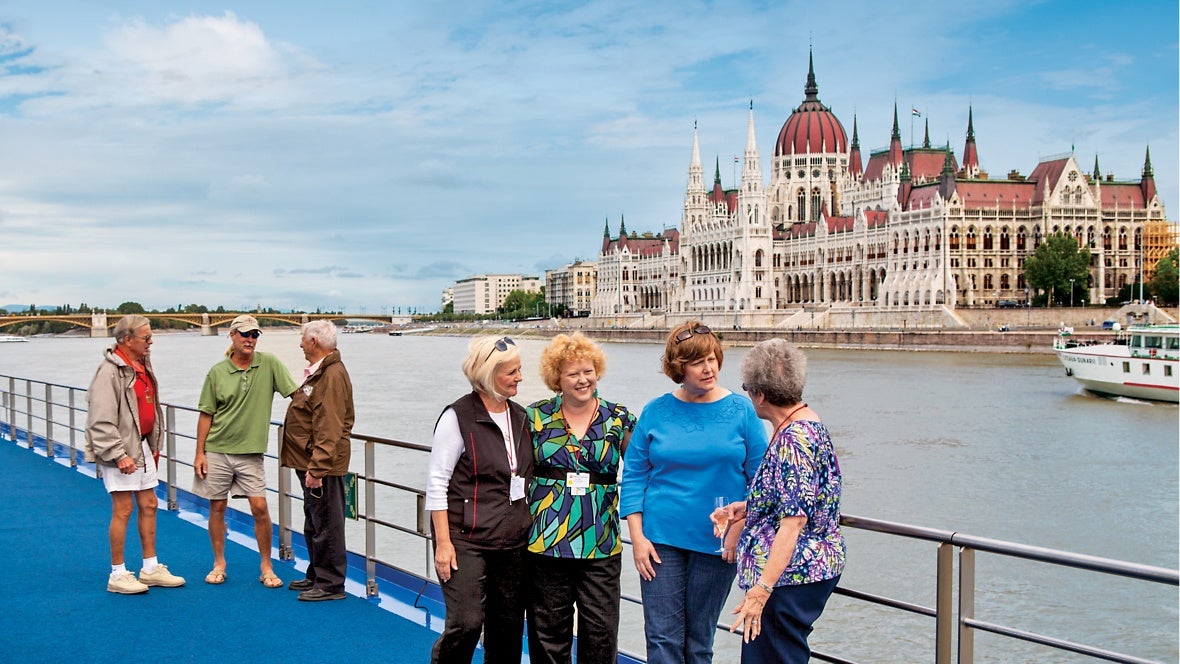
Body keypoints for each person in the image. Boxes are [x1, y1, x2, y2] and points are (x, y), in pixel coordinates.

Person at [619, 321, 769, 664]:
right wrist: (638, 538)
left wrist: (740, 528)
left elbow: (760, 480)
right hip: (660, 542)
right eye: (697, 361)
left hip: (718, 544)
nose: (709, 368)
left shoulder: (742, 411)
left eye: (713, 358)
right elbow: (635, 475)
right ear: (678, 367)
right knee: (661, 640)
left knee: (699, 642)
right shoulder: (656, 410)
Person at [712, 338, 845, 663]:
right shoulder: (808, 423)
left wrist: (761, 590)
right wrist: (750, 507)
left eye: (747, 388)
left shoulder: (792, 443)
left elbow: (794, 522)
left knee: (773, 657)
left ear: (760, 394)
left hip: (789, 577)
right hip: (804, 570)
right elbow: (803, 497)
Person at [525, 333, 636, 664]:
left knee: (601, 634)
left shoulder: (618, 417)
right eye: (573, 373)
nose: (582, 379)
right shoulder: (534, 417)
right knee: (548, 634)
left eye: (588, 371)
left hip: (600, 542)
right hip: (546, 541)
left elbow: (644, 469)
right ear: (556, 378)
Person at [425, 335, 534, 664]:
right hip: (465, 538)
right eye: (511, 372)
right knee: (467, 622)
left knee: (508, 628)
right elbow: (436, 483)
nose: (519, 377)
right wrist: (443, 544)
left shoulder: (522, 417)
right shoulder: (456, 417)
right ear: (488, 374)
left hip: (512, 541)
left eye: (519, 369)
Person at [193, 314, 298, 588]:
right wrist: (199, 453)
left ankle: (266, 565)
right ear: (232, 336)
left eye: (254, 335)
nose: (250, 339)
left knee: (259, 507)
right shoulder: (217, 372)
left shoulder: (270, 364)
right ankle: (219, 563)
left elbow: (296, 397)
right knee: (217, 507)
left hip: (251, 453)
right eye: (245, 334)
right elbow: (206, 414)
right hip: (217, 449)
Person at [85, 314, 186, 594]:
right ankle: (117, 573)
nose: (150, 342)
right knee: (123, 508)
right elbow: (100, 419)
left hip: (140, 445)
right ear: (126, 340)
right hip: (122, 449)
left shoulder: (140, 365)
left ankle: (150, 568)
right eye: (146, 337)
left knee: (149, 504)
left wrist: (152, 445)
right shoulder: (109, 372)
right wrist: (119, 454)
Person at [281, 320, 354, 602]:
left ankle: (331, 583)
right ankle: (317, 574)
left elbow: (330, 425)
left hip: (322, 465)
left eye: (302, 339)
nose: (300, 344)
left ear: (314, 342)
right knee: (315, 521)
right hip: (310, 461)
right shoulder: (322, 373)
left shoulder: (331, 375)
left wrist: (318, 467)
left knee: (327, 522)